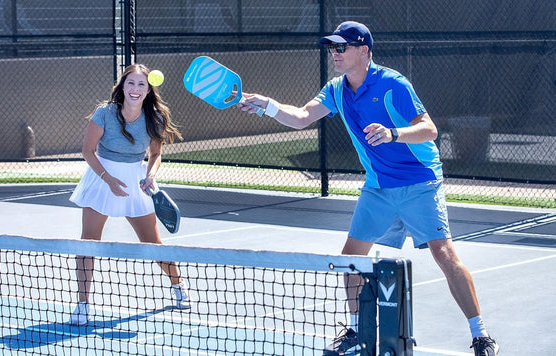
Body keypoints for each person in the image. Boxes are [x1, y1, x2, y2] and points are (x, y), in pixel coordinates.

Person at [238, 21, 499, 356]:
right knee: (350, 259)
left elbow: (429, 129)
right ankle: (355, 328)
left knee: (444, 254)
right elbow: (302, 117)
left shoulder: (393, 85)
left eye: (341, 47)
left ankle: (480, 334)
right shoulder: (335, 90)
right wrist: (267, 105)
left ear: (363, 51)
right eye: (332, 48)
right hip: (378, 187)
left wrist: (393, 133)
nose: (335, 53)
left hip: (419, 182)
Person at [68, 64, 191, 325]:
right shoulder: (104, 113)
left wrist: (151, 175)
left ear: (148, 90)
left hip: (135, 180)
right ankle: (82, 305)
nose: (135, 89)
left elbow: (156, 155)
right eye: (131, 84)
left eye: (141, 85)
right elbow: (88, 151)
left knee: (152, 243)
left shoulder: (154, 117)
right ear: (123, 86)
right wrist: (108, 179)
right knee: (88, 242)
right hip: (102, 176)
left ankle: (179, 287)